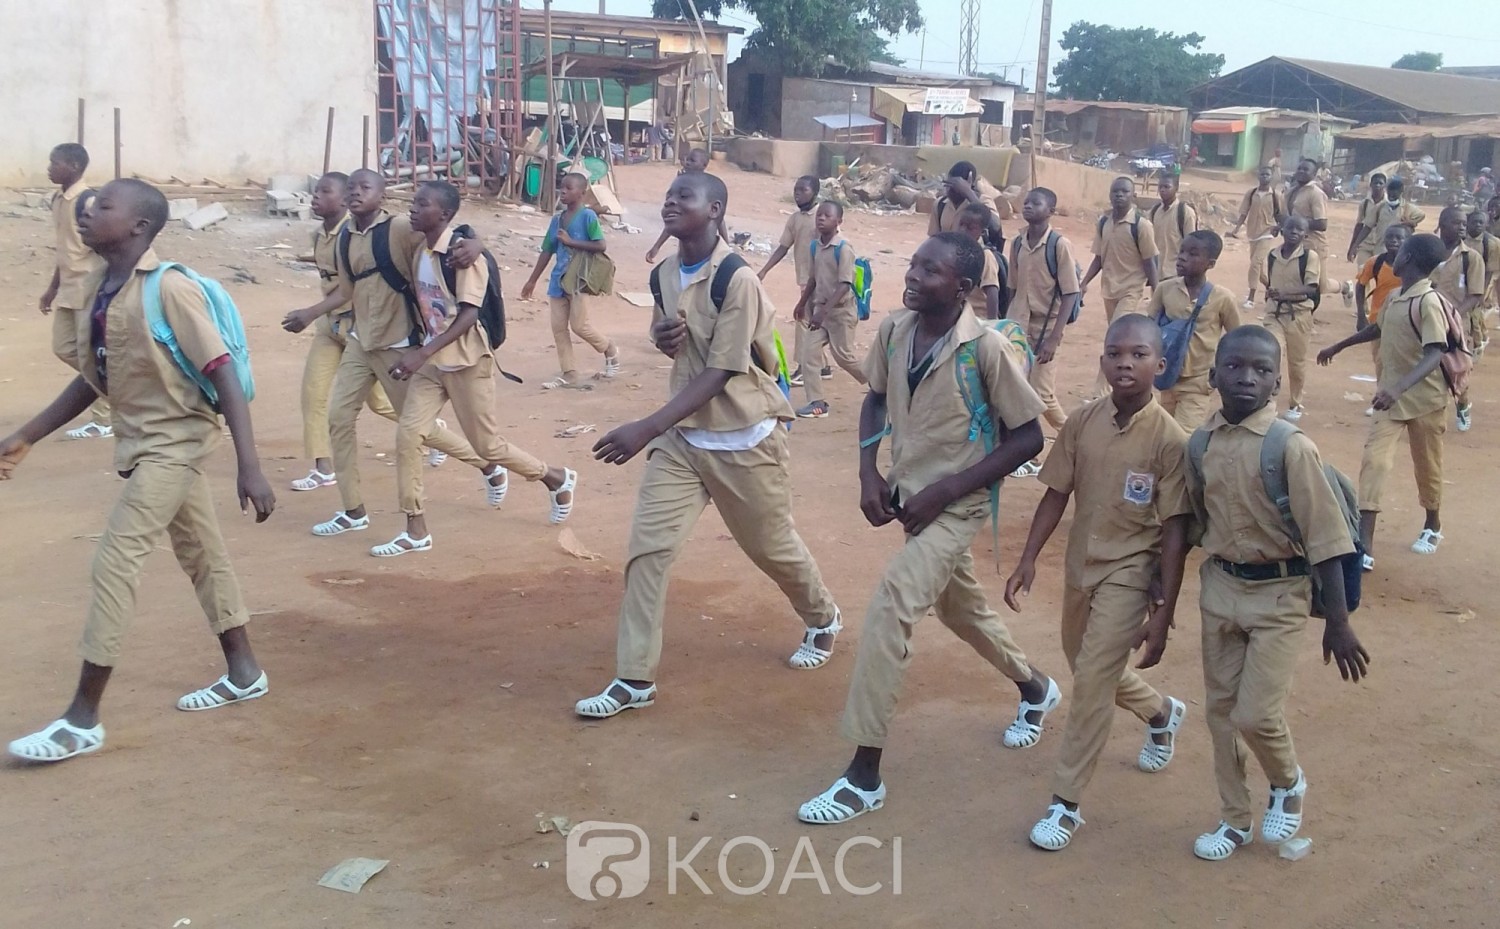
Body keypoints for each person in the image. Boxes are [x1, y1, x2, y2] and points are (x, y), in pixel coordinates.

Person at [1, 179, 277, 763]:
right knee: (202, 554)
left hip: (174, 445)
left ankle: (82, 719)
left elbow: (222, 371)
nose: (88, 211)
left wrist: (249, 466)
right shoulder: (105, 290)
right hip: (142, 443)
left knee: (115, 561)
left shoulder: (169, 288)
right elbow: (92, 378)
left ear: (139, 227)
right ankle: (245, 671)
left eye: (103, 206)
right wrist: (26, 436)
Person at [797, 232, 1058, 825]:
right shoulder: (894, 329)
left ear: (962, 288)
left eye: (930, 270)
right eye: (913, 264)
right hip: (913, 499)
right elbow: (876, 400)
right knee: (960, 611)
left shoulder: (983, 348)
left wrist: (946, 490)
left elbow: (1028, 437)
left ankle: (864, 777)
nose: (912, 275)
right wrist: (869, 470)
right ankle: (1036, 686)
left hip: (957, 504)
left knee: (893, 602)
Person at [576, 171, 843, 720]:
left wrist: (645, 426)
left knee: (770, 548)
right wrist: (661, 338)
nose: (670, 202)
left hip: (744, 437)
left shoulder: (737, 278)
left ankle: (822, 617)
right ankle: (634, 676)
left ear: (715, 209)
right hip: (684, 439)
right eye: (668, 193)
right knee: (648, 552)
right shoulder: (665, 275)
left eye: (685, 196)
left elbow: (723, 369)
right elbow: (668, 336)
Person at [1004, 313, 1192, 850]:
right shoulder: (1082, 421)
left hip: (1131, 571)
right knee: (1083, 663)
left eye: (1138, 354)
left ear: (1161, 364)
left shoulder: (1170, 441)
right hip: (1080, 567)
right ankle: (1161, 712)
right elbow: (1057, 493)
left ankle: (1065, 804)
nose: (1124, 363)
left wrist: (1164, 611)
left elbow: (1176, 530)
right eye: (1115, 353)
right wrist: (1028, 559)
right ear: (1103, 360)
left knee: (1089, 686)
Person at [1188, 326, 1371, 861]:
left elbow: (1329, 539)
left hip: (1281, 594)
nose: (1247, 377)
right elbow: (1197, 519)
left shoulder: (1290, 447)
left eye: (1262, 371)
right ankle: (1234, 819)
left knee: (1255, 715)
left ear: (1276, 384)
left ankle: (1287, 781)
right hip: (1220, 588)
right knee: (1220, 713)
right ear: (1214, 372)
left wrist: (1337, 620)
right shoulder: (1201, 443)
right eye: (1236, 366)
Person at [281, 168, 490, 543]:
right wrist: (311, 313)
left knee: (414, 428)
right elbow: (345, 291)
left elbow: (448, 234)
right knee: (338, 417)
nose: (356, 193)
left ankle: (487, 463)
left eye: (365, 187)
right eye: (351, 188)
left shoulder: (399, 228)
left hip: (399, 345)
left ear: (382, 195)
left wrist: (477, 243)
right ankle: (352, 510)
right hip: (360, 340)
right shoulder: (342, 237)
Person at [375, 181, 578, 556]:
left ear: (446, 214)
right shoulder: (419, 248)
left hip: (466, 360)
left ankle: (556, 477)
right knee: (408, 436)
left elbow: (468, 315)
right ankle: (415, 527)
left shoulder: (464, 256)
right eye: (414, 202)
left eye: (423, 204)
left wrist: (420, 353)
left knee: (487, 445)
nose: (413, 209)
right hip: (434, 364)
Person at [1318, 233, 1449, 564]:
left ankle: (1432, 523)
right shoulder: (1395, 296)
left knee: (1427, 466)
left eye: (1401, 250)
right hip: (1389, 401)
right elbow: (1376, 329)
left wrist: (1398, 388)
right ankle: (1365, 546)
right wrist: (1339, 346)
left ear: (1408, 260)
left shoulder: (1428, 302)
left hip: (1424, 401)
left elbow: (1435, 353)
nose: (1395, 254)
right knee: (1375, 463)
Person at [289, 171, 401, 492]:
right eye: (315, 192)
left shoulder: (352, 236)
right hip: (331, 324)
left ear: (341, 201)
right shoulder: (319, 236)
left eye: (324, 193)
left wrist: (309, 313)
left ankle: (428, 429)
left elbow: (350, 290)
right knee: (313, 394)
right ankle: (323, 468)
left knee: (379, 402)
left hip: (358, 326)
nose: (315, 198)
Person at [38, 143, 112, 439]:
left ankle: (105, 419)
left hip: (90, 289)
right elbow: (65, 249)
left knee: (91, 354)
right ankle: (114, 391)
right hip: (69, 289)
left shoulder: (87, 201)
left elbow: (107, 244)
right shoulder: (59, 200)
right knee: (65, 348)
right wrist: (52, 288)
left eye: (54, 163)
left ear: (74, 167)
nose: (49, 168)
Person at [520, 172, 620, 389]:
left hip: (579, 280)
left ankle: (609, 348)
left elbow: (600, 245)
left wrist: (571, 242)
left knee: (579, 326)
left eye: (568, 188)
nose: (563, 192)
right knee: (558, 328)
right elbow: (547, 250)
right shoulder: (557, 219)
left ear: (582, 193)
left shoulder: (588, 217)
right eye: (561, 188)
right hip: (558, 280)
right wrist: (532, 280)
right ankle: (569, 373)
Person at [1006, 187, 1082, 447]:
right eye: (1026, 202)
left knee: (1041, 393)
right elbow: (1012, 288)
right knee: (1017, 389)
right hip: (1018, 325)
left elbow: (1070, 293)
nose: (1028, 206)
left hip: (1046, 327)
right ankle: (1023, 447)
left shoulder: (1059, 245)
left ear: (1050, 212)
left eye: (1035, 203)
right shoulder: (1016, 243)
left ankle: (1074, 437)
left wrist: (1054, 338)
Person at [1145, 230, 1240, 430]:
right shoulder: (1165, 289)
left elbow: (1236, 340)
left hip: (1198, 381)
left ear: (1210, 264)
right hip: (1167, 375)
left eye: (1193, 254)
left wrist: (1220, 374)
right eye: (1182, 251)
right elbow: (1148, 329)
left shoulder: (1222, 298)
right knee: (1166, 433)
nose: (1182, 257)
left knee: (1184, 437)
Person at [1082, 177, 1160, 395]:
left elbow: (1149, 262)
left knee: (1115, 338)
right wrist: (1084, 282)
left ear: (1133, 196)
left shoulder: (1141, 226)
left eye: (1125, 192)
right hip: (1109, 289)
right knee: (1116, 337)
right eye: (1115, 191)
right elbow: (1099, 257)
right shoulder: (1104, 223)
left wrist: (1157, 293)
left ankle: (1101, 392)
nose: (1119, 195)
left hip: (1131, 290)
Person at [794, 201, 869, 419]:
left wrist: (823, 312)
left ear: (839, 222)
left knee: (844, 357)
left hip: (841, 312)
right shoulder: (815, 246)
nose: (821, 219)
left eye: (827, 216)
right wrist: (802, 304)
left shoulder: (844, 248)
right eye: (819, 215)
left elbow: (845, 284)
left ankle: (881, 382)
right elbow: (813, 279)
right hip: (821, 311)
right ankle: (817, 403)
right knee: (808, 354)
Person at [759, 175, 830, 386]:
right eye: (796, 190)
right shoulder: (796, 219)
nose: (798, 194)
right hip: (804, 278)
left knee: (804, 321)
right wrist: (764, 270)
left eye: (803, 190)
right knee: (812, 321)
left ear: (815, 193)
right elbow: (783, 247)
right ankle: (822, 365)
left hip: (820, 279)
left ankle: (802, 366)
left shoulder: (822, 216)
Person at [1431, 206, 1487, 432]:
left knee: (1457, 369)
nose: (1462, 227)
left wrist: (1453, 315)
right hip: (1428, 319)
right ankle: (1434, 415)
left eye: (1464, 223)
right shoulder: (1430, 252)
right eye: (1457, 223)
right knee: (1431, 368)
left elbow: (1475, 295)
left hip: (1457, 323)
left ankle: (1463, 403)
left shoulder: (1471, 258)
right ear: (1442, 225)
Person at [1262, 215, 1321, 421]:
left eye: (1299, 229)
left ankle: (1295, 402)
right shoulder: (1272, 255)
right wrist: (1273, 294)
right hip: (1274, 315)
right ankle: (1268, 401)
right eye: (1290, 228)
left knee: (1296, 363)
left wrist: (1284, 293)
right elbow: (1269, 281)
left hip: (1299, 316)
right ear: (1282, 230)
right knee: (1270, 354)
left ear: (1305, 234)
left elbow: (1311, 289)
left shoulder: (1309, 257)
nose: (1294, 232)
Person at [1353, 225, 1411, 395]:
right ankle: (1382, 394)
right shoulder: (1375, 262)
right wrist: (1361, 316)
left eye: (1399, 238)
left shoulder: (1413, 264)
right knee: (1380, 361)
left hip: (1405, 320)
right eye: (1390, 237)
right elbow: (1361, 285)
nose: (1394, 241)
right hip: (1379, 320)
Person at [1286, 158, 1350, 305]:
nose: (1301, 172)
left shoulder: (1316, 194)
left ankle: (1344, 287)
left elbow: (1322, 223)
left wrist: (1299, 224)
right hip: (1295, 243)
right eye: (1299, 168)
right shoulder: (1291, 191)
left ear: (1314, 174)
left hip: (1314, 244)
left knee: (1320, 285)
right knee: (1297, 277)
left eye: (1306, 170)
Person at [645, 149, 726, 262]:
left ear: (704, 165)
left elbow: (720, 219)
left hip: (704, 248)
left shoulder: (705, 188)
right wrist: (657, 246)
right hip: (687, 249)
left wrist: (726, 245)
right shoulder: (681, 181)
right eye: (687, 159)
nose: (687, 163)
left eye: (692, 160)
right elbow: (673, 217)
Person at [1226, 167, 1285, 309]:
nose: (1264, 177)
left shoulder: (1276, 195)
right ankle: (1272, 288)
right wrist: (1236, 228)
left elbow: (1282, 215)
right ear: (1258, 176)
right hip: (1252, 233)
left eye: (1267, 174)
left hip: (1267, 233)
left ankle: (1251, 298)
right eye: (1262, 174)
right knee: (1258, 270)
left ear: (1271, 177)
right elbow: (1243, 212)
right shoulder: (1251, 193)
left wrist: (1278, 228)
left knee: (1255, 264)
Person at [957, 202, 1006, 320]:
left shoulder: (985, 256)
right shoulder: (955, 251)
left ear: (983, 232)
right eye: (961, 224)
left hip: (979, 319)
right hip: (961, 317)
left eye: (970, 228)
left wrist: (992, 324)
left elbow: (992, 291)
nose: (963, 230)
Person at [1463, 209, 1499, 354]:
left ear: (1486, 225)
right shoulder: (1460, 238)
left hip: (1481, 280)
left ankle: (1477, 344)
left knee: (1474, 313)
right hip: (1462, 280)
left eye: (1481, 222)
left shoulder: (1492, 243)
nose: (1477, 225)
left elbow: (1490, 271)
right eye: (1474, 222)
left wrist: (1481, 292)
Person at [1149, 175, 1199, 270]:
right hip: (1156, 271)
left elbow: (1192, 244)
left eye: (1167, 187)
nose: (1162, 190)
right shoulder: (1154, 211)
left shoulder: (1185, 213)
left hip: (1176, 272)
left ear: (1176, 188)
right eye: (1160, 187)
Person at [1368, 177, 1426, 253]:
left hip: (1400, 251)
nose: (1391, 195)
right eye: (1389, 192)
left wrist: (1411, 222)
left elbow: (1421, 215)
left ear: (1401, 192)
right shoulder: (1380, 207)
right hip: (1380, 249)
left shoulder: (1407, 208)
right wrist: (1355, 245)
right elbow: (1367, 226)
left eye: (1394, 192)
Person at [1346, 172, 1388, 268]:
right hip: (1365, 244)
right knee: (1362, 275)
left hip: (1382, 245)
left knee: (1380, 276)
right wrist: (1353, 247)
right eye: (1375, 183)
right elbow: (1359, 226)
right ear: (1370, 185)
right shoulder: (1364, 204)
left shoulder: (1389, 204)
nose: (1377, 185)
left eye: (1380, 183)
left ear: (1385, 186)